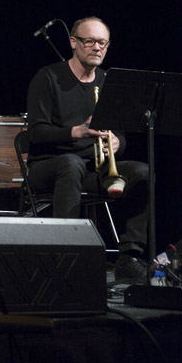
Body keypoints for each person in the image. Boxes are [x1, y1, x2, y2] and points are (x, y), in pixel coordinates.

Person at [26, 16, 150, 282]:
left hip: (91, 170)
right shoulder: (48, 77)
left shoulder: (107, 81)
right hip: (48, 167)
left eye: (103, 43)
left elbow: (121, 133)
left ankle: (129, 258)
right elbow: (35, 133)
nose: (97, 47)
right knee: (70, 163)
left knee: (142, 172)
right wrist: (77, 131)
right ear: (73, 42)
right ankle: (67, 257)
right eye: (90, 41)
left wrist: (117, 142)